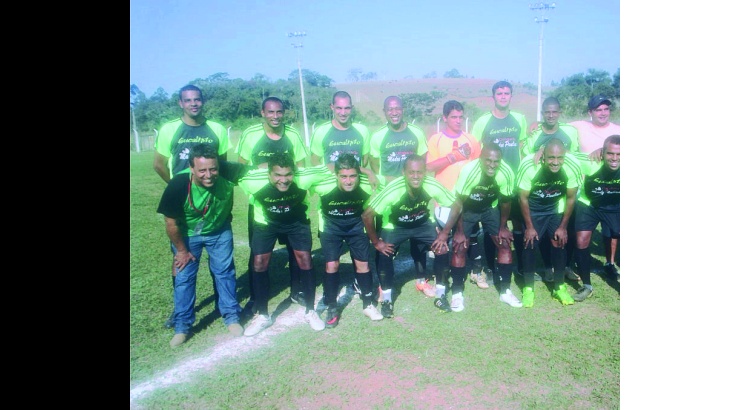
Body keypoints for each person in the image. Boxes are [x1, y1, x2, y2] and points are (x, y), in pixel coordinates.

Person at [152, 84, 231, 329]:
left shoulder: (216, 128)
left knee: (220, 262)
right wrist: (180, 190)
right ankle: (180, 312)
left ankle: (223, 304)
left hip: (213, 202)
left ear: (202, 101)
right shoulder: (169, 129)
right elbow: (159, 163)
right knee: (182, 260)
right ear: (180, 103)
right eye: (188, 100)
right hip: (185, 208)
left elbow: (224, 165)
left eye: (197, 99)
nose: (193, 104)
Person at [156, 143, 245, 347]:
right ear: (191, 168)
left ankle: (231, 317)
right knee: (185, 278)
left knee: (225, 272)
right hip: (188, 236)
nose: (209, 175)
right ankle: (182, 327)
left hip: (219, 231)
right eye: (202, 170)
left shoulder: (229, 172)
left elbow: (260, 169)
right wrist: (181, 250)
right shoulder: (178, 184)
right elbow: (170, 223)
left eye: (213, 169)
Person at [362, 154, 464, 317]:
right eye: (411, 172)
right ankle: (387, 299)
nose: (416, 176)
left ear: (425, 172)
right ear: (404, 172)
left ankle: (440, 296)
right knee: (384, 254)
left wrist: (444, 233)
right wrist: (376, 242)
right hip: (395, 225)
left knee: (442, 249)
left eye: (420, 172)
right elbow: (367, 215)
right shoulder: (393, 190)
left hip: (422, 223)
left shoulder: (431, 184)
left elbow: (457, 205)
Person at [238, 153, 325, 336]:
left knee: (305, 260)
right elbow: (225, 169)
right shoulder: (253, 180)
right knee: (259, 262)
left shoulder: (304, 177)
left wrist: (367, 171)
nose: (283, 180)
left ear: (294, 173)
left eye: (288, 175)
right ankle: (262, 314)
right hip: (266, 224)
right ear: (269, 174)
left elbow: (334, 168)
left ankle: (310, 311)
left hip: (297, 222)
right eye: (278, 175)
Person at [235, 97, 308, 312]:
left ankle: (298, 291)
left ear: (284, 113)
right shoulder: (250, 135)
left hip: (290, 203)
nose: (275, 116)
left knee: (295, 250)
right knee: (257, 252)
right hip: (261, 204)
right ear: (262, 113)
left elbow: (301, 168)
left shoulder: (292, 135)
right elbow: (241, 169)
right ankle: (255, 297)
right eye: (270, 112)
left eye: (279, 112)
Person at [471, 80, 536, 287]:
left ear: (511, 96)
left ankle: (519, 265)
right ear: (493, 96)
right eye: (499, 93)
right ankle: (491, 267)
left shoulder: (519, 119)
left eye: (507, 93)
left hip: (514, 180)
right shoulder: (483, 121)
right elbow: (475, 151)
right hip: (492, 182)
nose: (503, 96)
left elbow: (523, 145)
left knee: (518, 223)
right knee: (493, 225)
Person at [369, 95, 433, 297]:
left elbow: (423, 162)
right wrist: (390, 186)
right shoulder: (378, 136)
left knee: (420, 242)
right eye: (390, 109)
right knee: (386, 242)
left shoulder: (416, 133)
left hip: (415, 194)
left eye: (397, 109)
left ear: (403, 110)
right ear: (385, 111)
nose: (394, 112)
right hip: (390, 197)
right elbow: (375, 165)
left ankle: (422, 280)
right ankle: (384, 285)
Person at [309, 154, 384, 327]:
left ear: (359, 175)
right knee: (332, 265)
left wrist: (370, 173)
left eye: (352, 176)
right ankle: (332, 307)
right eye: (343, 176)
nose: (348, 181)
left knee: (363, 265)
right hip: (331, 228)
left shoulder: (368, 184)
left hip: (356, 226)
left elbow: (390, 182)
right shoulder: (323, 185)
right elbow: (300, 176)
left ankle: (368, 304)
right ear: (336, 175)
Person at [516, 138, 583, 307]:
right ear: (543, 155)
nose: (555, 162)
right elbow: (522, 197)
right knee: (530, 244)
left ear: (565, 156)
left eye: (559, 158)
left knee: (559, 243)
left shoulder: (571, 167)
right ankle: (528, 288)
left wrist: (563, 227)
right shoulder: (530, 165)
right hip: (533, 209)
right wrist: (530, 227)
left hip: (555, 209)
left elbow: (570, 197)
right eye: (551, 158)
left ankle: (559, 286)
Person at [453, 144, 520, 307]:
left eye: (496, 161)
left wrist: (503, 227)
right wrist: (460, 231)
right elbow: (458, 202)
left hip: (490, 208)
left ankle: (505, 292)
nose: (492, 165)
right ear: (480, 158)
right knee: (460, 246)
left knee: (504, 243)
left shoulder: (506, 172)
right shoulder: (469, 171)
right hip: (468, 209)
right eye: (488, 160)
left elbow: (505, 201)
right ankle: (456, 293)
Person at [524, 96, 581, 282]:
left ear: (559, 113)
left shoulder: (570, 132)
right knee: (547, 233)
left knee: (566, 230)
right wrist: (538, 151)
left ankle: (565, 267)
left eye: (554, 112)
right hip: (544, 189)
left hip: (565, 186)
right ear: (542, 114)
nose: (551, 115)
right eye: (547, 112)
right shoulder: (534, 134)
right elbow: (529, 159)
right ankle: (549, 266)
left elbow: (574, 156)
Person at [571, 135, 620, 301]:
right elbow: (566, 153)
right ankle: (587, 285)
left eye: (619, 154)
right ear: (602, 153)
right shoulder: (590, 161)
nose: (614, 158)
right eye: (610, 154)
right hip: (589, 204)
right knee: (581, 241)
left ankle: (611, 267)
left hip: (615, 206)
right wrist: (542, 150)